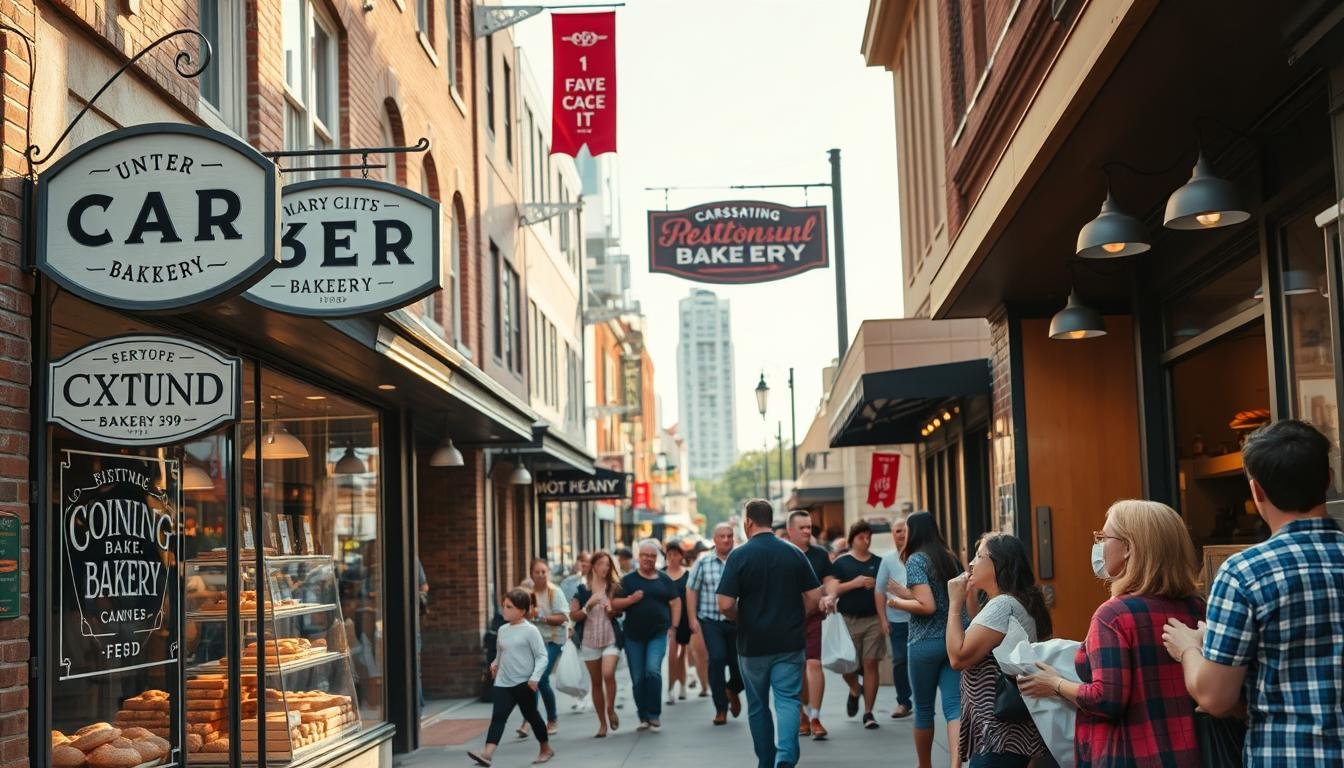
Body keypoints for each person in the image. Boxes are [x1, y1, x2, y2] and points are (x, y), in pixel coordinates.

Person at [1163, 420, 1344, 765]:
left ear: (1256, 491)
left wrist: (1189, 649)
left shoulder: (1245, 573)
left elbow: (1215, 697)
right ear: (1330, 479)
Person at [1018, 500, 1203, 768]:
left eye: (1104, 538)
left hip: (1130, 754)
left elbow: (1105, 699)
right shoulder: (1196, 608)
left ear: (1128, 548)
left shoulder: (1114, 615)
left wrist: (1054, 683)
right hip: (1191, 751)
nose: (1099, 546)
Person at [717, 499, 823, 768]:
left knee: (757, 705)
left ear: (748, 522)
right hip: (789, 641)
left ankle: (766, 761)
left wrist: (741, 618)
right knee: (787, 700)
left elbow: (725, 604)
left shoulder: (739, 556)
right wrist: (798, 615)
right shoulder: (793, 553)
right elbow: (814, 596)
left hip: (752, 644)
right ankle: (785, 756)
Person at [945, 534, 1050, 768]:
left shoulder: (1003, 605)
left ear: (998, 564)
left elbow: (957, 656)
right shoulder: (1010, 601)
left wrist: (954, 604)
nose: (971, 563)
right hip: (1004, 732)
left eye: (978, 556)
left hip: (998, 734)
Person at [887, 511, 965, 768]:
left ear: (913, 531)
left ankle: (924, 765)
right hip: (954, 640)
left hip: (925, 641)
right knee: (954, 706)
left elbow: (927, 605)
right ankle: (955, 764)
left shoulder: (916, 560)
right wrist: (905, 593)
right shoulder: (950, 558)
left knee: (923, 709)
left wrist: (896, 602)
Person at [468, 589, 555, 766]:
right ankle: (487, 754)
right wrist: (494, 664)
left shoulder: (530, 631)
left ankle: (545, 749)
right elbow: (501, 654)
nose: (504, 610)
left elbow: (542, 656)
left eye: (509, 607)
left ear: (522, 610)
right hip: (503, 682)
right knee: (498, 717)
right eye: (504, 606)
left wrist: (535, 678)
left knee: (532, 717)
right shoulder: (502, 630)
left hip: (524, 683)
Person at [611, 539, 682, 732]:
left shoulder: (664, 579)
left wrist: (674, 626)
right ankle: (643, 716)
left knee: (652, 670)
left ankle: (654, 714)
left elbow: (675, 602)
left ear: (656, 558)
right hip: (633, 636)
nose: (648, 559)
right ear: (638, 557)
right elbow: (614, 603)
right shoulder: (628, 580)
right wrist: (631, 599)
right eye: (644, 555)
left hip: (658, 634)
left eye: (652, 556)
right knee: (638, 678)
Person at [829, 519, 888, 729]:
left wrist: (878, 585)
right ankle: (855, 689)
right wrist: (854, 584)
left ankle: (869, 713)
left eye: (869, 537)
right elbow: (832, 590)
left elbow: (888, 589)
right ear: (852, 539)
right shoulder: (841, 563)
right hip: (848, 620)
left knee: (871, 663)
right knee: (847, 665)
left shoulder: (879, 562)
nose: (866, 541)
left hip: (873, 619)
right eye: (861, 537)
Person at [687, 522, 745, 725]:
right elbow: (691, 589)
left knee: (740, 665)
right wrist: (692, 618)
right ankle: (721, 708)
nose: (726, 540)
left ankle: (732, 689)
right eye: (722, 536)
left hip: (737, 621)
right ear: (714, 539)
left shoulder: (741, 559)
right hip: (711, 621)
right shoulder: (703, 562)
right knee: (717, 659)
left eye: (730, 536)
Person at [785, 509, 835, 739]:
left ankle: (815, 717)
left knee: (814, 663)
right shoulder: (781, 554)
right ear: (790, 530)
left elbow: (830, 581)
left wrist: (829, 596)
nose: (807, 531)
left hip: (814, 618)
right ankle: (801, 714)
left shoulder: (819, 555)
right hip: (788, 621)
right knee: (795, 669)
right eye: (802, 527)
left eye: (809, 527)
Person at [568, 550, 623, 737]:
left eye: (608, 564)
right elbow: (573, 615)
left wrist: (612, 610)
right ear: (593, 566)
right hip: (589, 641)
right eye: (601, 564)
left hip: (610, 638)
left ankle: (610, 709)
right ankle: (602, 724)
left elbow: (619, 612)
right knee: (596, 683)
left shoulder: (614, 588)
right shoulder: (582, 590)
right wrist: (588, 605)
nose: (605, 568)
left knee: (608, 673)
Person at [514, 558, 568, 739]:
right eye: (537, 572)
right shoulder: (527, 594)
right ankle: (529, 720)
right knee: (531, 680)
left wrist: (543, 618)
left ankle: (552, 719)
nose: (541, 575)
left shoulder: (555, 592)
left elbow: (563, 618)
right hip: (535, 641)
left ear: (548, 573)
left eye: (544, 571)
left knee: (541, 678)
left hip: (554, 639)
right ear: (531, 575)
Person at [875, 516, 913, 719]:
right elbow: (879, 591)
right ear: (892, 534)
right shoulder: (888, 560)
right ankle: (903, 702)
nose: (902, 534)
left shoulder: (920, 556)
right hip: (896, 620)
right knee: (899, 660)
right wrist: (883, 619)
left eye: (905, 530)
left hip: (920, 618)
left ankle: (922, 700)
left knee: (920, 661)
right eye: (898, 531)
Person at [663, 540, 692, 704]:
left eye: (676, 554)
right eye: (669, 554)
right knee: (671, 655)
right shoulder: (661, 574)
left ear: (681, 556)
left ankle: (682, 685)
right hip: (665, 618)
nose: (672, 557)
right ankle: (670, 689)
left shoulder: (688, 574)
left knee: (682, 654)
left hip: (684, 618)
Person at [682, 538, 711, 696]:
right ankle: (701, 683)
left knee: (701, 653)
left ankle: (702, 682)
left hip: (704, 615)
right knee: (695, 651)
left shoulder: (707, 566)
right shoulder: (692, 569)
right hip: (692, 615)